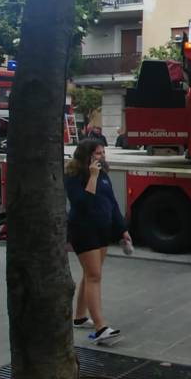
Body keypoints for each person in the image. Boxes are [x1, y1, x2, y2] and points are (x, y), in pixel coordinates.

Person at [65, 139, 130, 345]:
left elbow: (112, 202)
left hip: (103, 230)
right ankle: (101, 327)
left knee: (90, 274)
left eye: (103, 153)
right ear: (87, 156)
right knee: (94, 276)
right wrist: (92, 176)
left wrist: (122, 230)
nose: (102, 157)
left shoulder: (103, 175)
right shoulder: (74, 176)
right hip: (84, 229)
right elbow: (82, 203)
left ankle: (80, 316)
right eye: (98, 154)